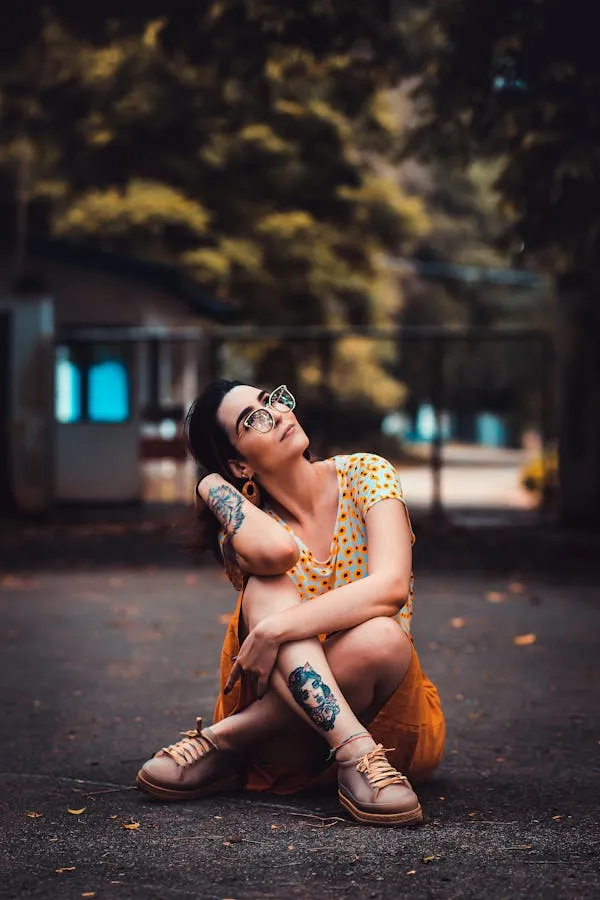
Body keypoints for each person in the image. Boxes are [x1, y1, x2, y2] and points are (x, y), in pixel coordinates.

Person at [136, 380, 445, 826]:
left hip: (389, 722)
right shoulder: (247, 526)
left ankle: (226, 741)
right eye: (253, 419)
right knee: (267, 583)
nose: (278, 413)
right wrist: (207, 483)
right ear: (238, 465)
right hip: (293, 739)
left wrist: (274, 630)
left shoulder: (366, 473)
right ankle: (354, 753)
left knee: (382, 637)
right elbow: (278, 554)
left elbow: (391, 586)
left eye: (271, 400)